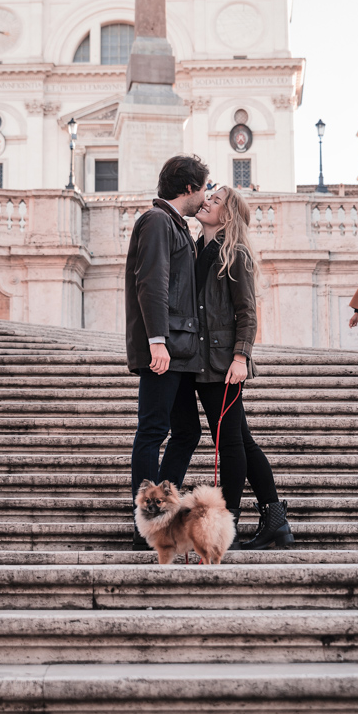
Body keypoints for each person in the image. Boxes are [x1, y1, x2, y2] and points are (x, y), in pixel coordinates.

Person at [193, 184, 294, 550]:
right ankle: (276, 523)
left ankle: (228, 527)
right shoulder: (198, 249)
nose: (207, 202)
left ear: (228, 215)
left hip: (223, 363)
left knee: (230, 443)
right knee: (242, 442)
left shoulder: (232, 252)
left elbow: (247, 312)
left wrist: (240, 357)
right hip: (204, 362)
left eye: (215, 200)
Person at [125, 154, 209, 549]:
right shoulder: (158, 221)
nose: (205, 195)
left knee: (187, 430)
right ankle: (147, 518)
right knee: (153, 430)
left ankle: (162, 510)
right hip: (166, 345)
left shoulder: (177, 226)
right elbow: (151, 282)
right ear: (189, 188)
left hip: (179, 345)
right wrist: (156, 339)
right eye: (204, 187)